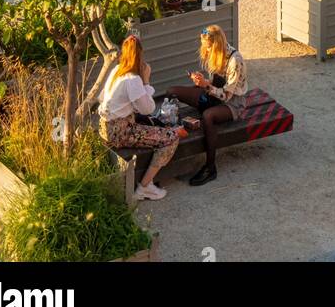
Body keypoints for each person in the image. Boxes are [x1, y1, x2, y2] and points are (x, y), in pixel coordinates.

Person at [98, 35, 192, 201]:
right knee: (171, 137)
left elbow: (101, 98)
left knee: (154, 126)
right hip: (120, 132)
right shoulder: (133, 79)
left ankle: (147, 183)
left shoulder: (116, 71)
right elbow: (148, 109)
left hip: (105, 127)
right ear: (140, 56)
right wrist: (146, 81)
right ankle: (145, 187)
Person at [167, 25, 249, 186]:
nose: (206, 49)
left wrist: (205, 85)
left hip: (232, 103)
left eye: (208, 46)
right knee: (172, 91)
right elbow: (215, 81)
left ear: (216, 44)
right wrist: (202, 81)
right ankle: (171, 135)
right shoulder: (214, 53)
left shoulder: (235, 60)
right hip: (212, 94)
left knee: (208, 116)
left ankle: (210, 167)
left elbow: (226, 95)